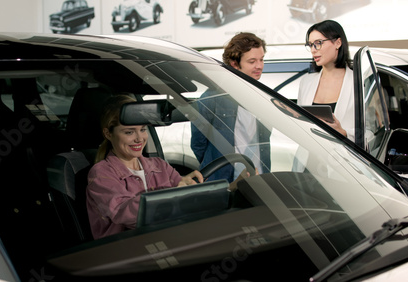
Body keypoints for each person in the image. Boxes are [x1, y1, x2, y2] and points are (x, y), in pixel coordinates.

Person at [86, 95, 204, 239]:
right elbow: (123, 214)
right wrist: (173, 194)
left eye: (142, 129)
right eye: (129, 132)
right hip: (125, 250)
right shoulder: (101, 173)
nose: (139, 138)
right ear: (108, 134)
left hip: (166, 238)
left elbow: (184, 196)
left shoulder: (159, 165)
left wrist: (189, 186)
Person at [191, 32, 270, 183]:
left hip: (259, 179)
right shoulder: (212, 99)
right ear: (234, 63)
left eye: (261, 59)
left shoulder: (264, 98)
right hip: (225, 181)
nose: (259, 66)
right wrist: (218, 166)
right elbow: (198, 143)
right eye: (252, 61)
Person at [297, 20, 355, 141]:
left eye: (318, 43)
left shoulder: (358, 82)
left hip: (345, 156)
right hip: (311, 155)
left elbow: (372, 132)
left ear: (338, 43)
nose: (313, 50)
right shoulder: (306, 82)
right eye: (310, 45)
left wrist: (344, 133)